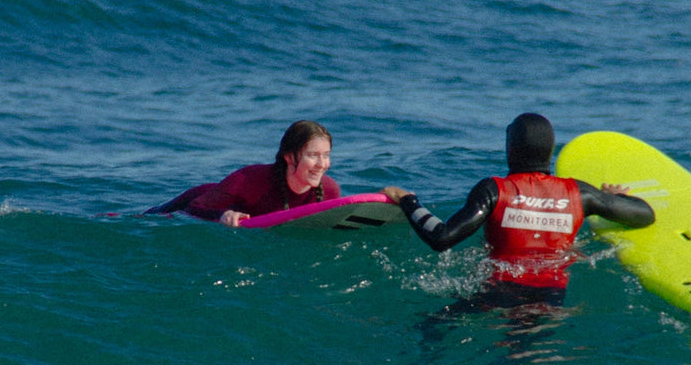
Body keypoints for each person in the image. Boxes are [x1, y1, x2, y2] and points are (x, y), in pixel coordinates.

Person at [382, 113, 655, 305]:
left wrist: (407, 200)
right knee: (522, 357)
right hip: (550, 296)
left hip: (497, 289)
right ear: (549, 151)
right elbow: (645, 215)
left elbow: (441, 237)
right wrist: (611, 198)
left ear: (510, 149)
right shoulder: (580, 194)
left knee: (437, 324)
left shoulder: (494, 190)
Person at [146, 120, 339, 226]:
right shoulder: (249, 180)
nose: (322, 164)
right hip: (204, 199)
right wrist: (223, 214)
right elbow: (193, 208)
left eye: (326, 155)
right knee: (145, 220)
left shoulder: (329, 191)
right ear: (289, 157)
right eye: (313, 155)